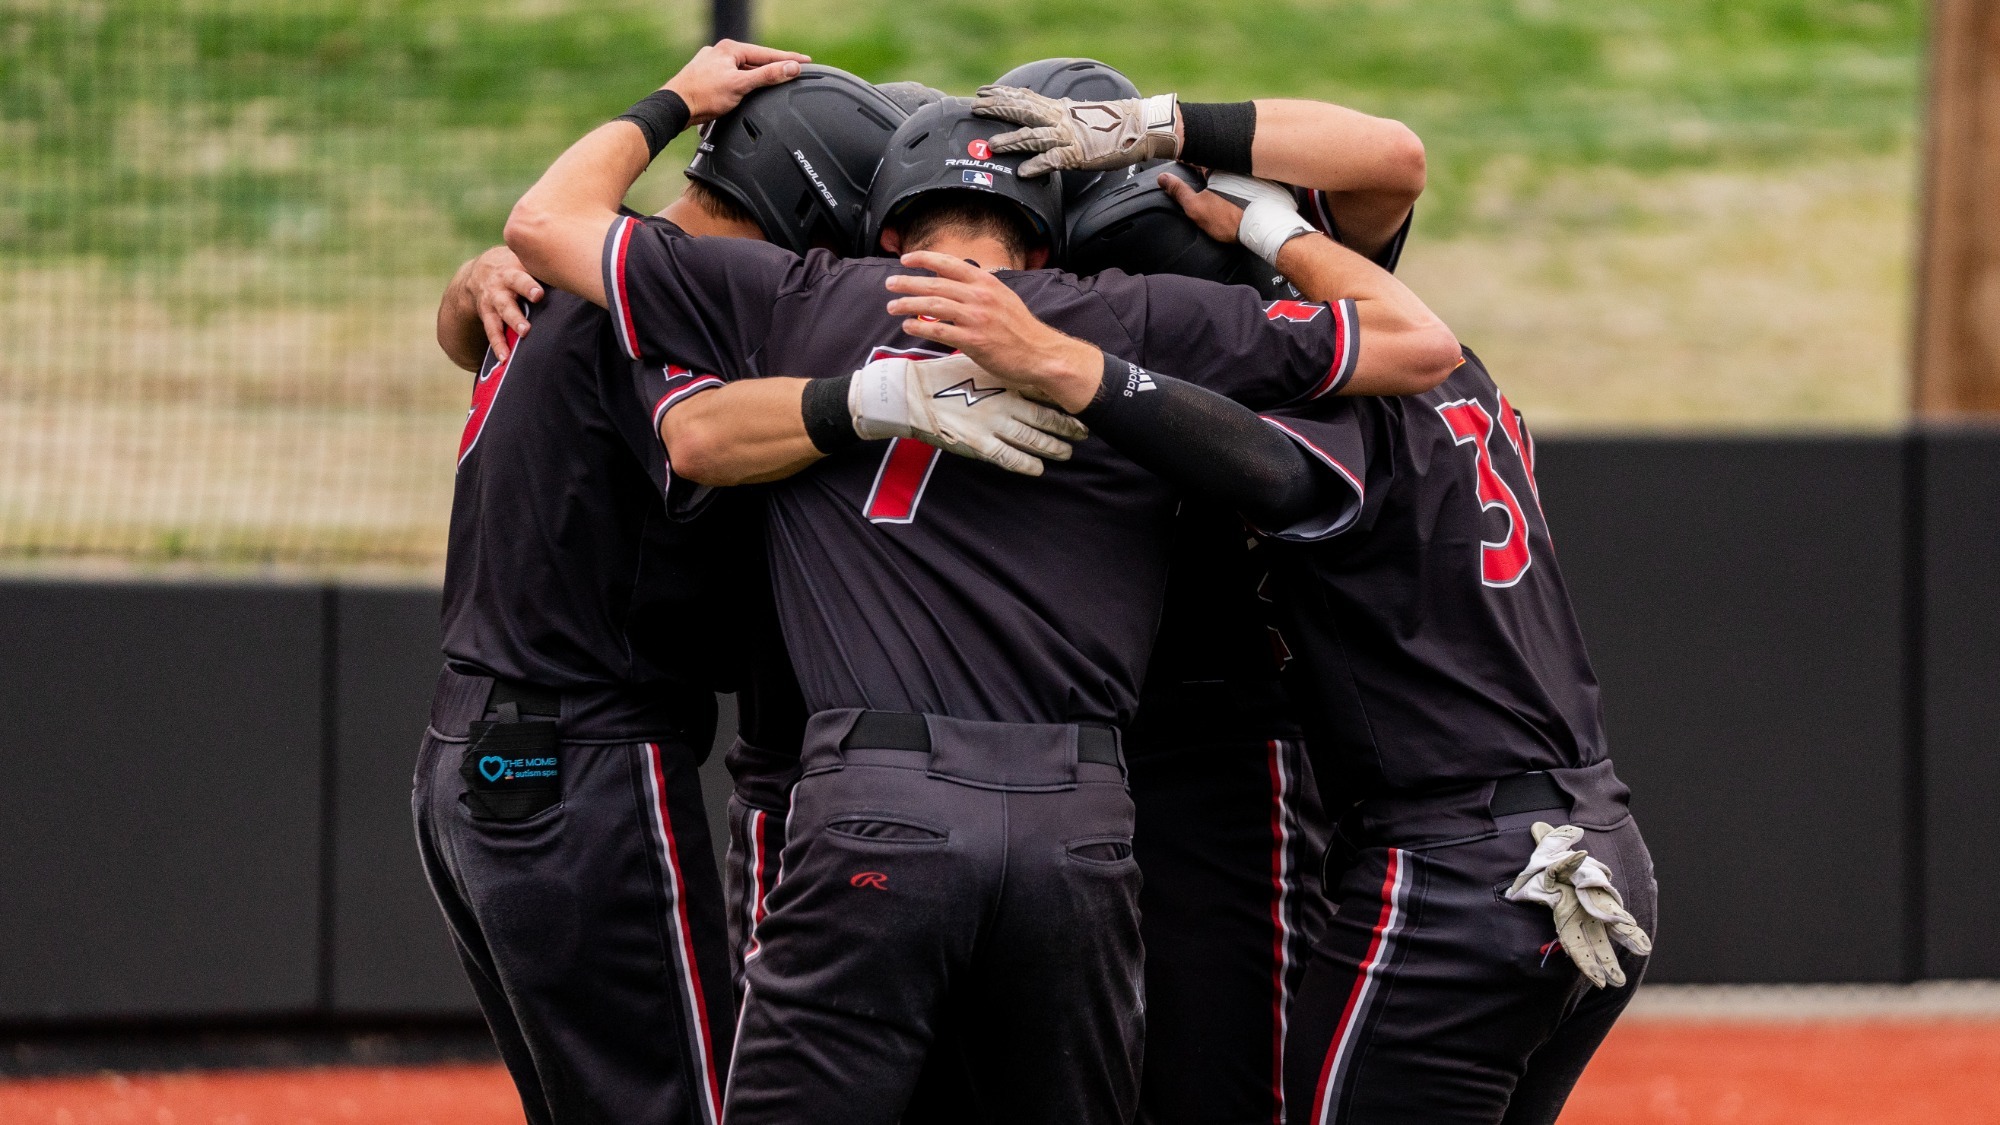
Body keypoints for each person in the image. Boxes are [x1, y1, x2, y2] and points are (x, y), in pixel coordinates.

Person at [503, 66, 1461, 1124]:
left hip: (874, 793)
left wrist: (673, 107)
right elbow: (1415, 340)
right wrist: (1202, 239)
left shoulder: (790, 295)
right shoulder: (1139, 314)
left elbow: (549, 232)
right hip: (1081, 812)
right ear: (1050, 241)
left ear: (874, 234)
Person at [417, 51, 1041, 1125]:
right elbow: (700, 437)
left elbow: (468, 318)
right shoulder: (658, 302)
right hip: (583, 761)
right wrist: (874, 395)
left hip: (473, 763)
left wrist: (468, 283)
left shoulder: (565, 277)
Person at [966, 166, 1660, 1125]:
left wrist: (1080, 369)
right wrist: (1274, 228)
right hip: (1597, 840)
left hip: (1455, 867)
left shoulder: (1319, 398)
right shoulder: (1451, 360)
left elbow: (1272, 470)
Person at [986, 59, 1430, 1125]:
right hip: (1040, 747)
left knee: (1220, 1072)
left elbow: (1391, 159)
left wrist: (1154, 126)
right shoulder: (1000, 297)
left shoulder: (1249, 269)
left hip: (1221, 732)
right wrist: (497, 266)